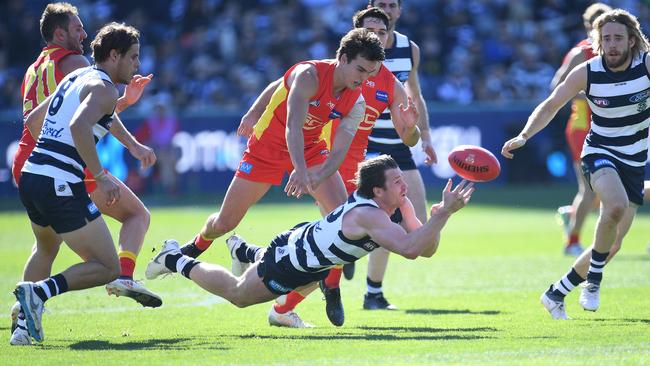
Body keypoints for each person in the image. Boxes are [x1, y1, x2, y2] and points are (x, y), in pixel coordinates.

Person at [236, 7, 421, 328]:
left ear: (388, 38)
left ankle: (273, 269)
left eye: (381, 33)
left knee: (347, 241)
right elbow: (283, 85)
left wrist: (412, 129)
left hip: (356, 170)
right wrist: (255, 111)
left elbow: (410, 138)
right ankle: (312, 290)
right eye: (369, 32)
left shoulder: (388, 82)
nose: (375, 37)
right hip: (321, 161)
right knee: (335, 243)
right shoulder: (333, 72)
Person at [145, 155, 474, 319]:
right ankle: (174, 257)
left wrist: (438, 219)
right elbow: (410, 249)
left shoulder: (395, 204)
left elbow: (425, 248)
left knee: (310, 272)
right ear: (377, 191)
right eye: (398, 182)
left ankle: (243, 250)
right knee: (239, 296)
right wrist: (443, 215)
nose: (405, 187)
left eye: (403, 180)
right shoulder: (369, 214)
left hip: (311, 257)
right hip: (292, 261)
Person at [165, 28, 384, 267]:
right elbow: (292, 125)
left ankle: (321, 288)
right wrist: (255, 114)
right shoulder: (309, 75)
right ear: (342, 59)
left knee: (344, 221)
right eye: (360, 70)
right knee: (225, 223)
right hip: (267, 146)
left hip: (310, 148)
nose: (363, 79)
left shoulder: (357, 101)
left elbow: (339, 150)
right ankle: (193, 247)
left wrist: (319, 174)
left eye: (370, 73)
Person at [9, 3, 158, 343]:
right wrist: (100, 174)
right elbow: (80, 124)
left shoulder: (78, 76)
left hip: (32, 175)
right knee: (107, 267)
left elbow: (33, 122)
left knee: (45, 248)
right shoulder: (105, 88)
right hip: (58, 180)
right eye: (133, 57)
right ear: (115, 55)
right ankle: (40, 293)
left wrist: (132, 145)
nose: (137, 65)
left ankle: (21, 329)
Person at [501, 9, 650, 320]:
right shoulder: (587, 71)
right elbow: (551, 104)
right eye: (606, 38)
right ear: (597, 41)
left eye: (618, 38)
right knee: (614, 206)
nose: (612, 44)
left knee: (612, 245)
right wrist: (525, 135)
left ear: (632, 41)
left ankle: (556, 293)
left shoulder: (646, 65)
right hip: (600, 151)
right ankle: (593, 282)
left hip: (635, 158)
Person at [346, 0, 437, 310]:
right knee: (382, 218)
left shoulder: (409, 48)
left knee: (420, 225)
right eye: (381, 4)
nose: (387, 9)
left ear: (398, 11)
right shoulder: (355, 47)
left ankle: (354, 264)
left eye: (392, 5)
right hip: (365, 144)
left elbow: (415, 94)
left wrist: (423, 135)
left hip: (398, 143)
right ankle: (371, 290)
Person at [551, 3, 612, 256]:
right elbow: (558, 85)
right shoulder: (582, 53)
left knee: (607, 186)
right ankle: (572, 242)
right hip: (583, 128)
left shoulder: (619, 54)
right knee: (588, 188)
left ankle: (573, 215)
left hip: (612, 127)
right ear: (589, 27)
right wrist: (591, 95)